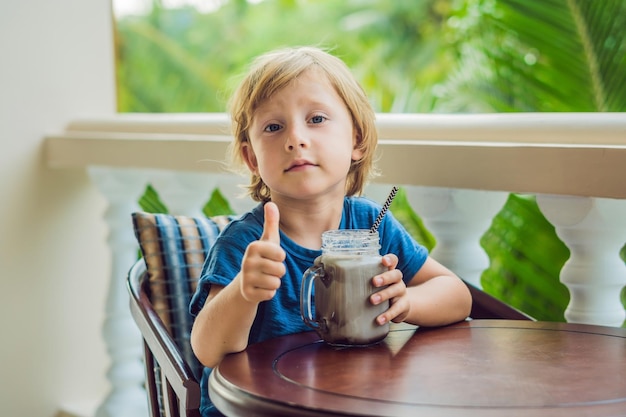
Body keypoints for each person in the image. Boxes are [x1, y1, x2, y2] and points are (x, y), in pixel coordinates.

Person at [189, 46, 472, 416]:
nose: (296, 139)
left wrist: (407, 303)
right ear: (252, 159)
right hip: (259, 408)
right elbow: (207, 349)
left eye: (317, 119)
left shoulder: (372, 225)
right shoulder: (248, 244)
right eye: (274, 127)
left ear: (357, 140)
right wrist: (244, 291)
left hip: (348, 399)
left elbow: (456, 296)